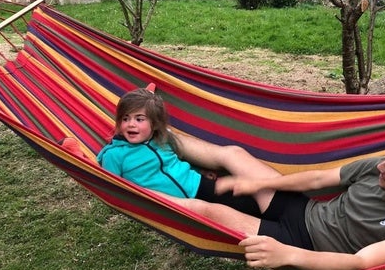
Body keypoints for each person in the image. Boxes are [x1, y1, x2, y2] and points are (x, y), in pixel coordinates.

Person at [159, 137, 385, 270]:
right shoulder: (376, 169)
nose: (379, 167)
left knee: (213, 213)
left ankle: (137, 194)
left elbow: (359, 263)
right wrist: (255, 184)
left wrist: (286, 253)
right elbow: (317, 178)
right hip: (304, 211)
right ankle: (156, 132)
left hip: (305, 244)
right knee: (235, 155)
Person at [97, 87, 281, 216]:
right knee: (232, 212)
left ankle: (284, 205)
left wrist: (198, 170)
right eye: (125, 118)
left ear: (153, 125)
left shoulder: (160, 139)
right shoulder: (115, 154)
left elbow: (173, 162)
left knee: (246, 198)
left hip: (197, 183)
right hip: (180, 204)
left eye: (139, 119)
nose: (131, 124)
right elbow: (111, 186)